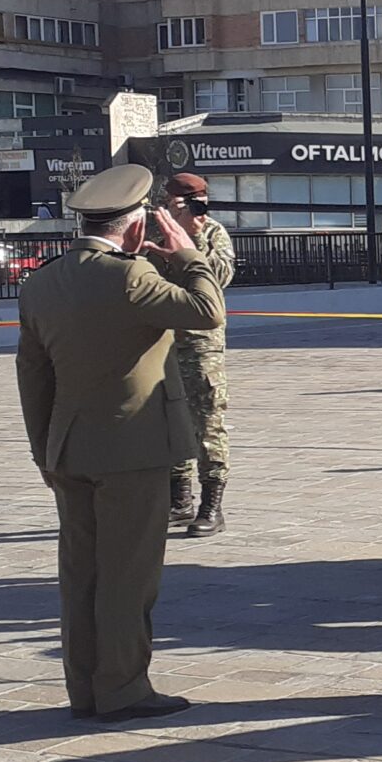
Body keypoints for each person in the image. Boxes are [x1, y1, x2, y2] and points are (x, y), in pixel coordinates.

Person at [15, 163, 225, 724]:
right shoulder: (131, 277)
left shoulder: (42, 281)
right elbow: (208, 312)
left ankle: (84, 688)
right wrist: (187, 255)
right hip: (133, 450)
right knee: (127, 576)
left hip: (69, 448)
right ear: (135, 229)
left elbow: (32, 376)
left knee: (80, 574)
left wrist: (44, 451)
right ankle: (123, 688)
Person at [158, 173, 236, 537]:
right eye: (183, 202)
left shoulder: (214, 233)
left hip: (201, 343)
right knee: (168, 422)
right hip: (160, 339)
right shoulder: (155, 232)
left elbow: (218, 276)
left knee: (207, 422)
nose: (192, 209)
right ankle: (179, 499)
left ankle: (212, 504)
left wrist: (192, 237)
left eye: (198, 202)